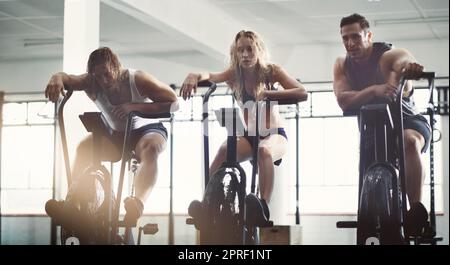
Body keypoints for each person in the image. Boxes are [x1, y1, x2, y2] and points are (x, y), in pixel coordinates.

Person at [180, 30, 308, 224]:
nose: (245, 55)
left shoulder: (271, 71)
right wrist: (194, 75)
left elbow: (302, 93)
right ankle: (206, 204)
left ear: (259, 50)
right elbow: (211, 76)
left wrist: (269, 94)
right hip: (249, 137)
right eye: (240, 50)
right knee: (225, 150)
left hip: (274, 135)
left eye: (250, 49)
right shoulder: (234, 74)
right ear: (235, 53)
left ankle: (262, 207)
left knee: (264, 151)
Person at [45, 47, 178, 224]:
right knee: (84, 148)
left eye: (106, 74)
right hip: (116, 136)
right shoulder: (92, 82)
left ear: (116, 67)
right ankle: (73, 204)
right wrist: (57, 78)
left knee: (151, 149)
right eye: (98, 76)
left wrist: (134, 107)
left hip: (146, 131)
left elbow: (174, 103)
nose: (103, 80)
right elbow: (68, 78)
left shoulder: (138, 79)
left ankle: (137, 204)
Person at [333, 14, 431, 232]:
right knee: (368, 179)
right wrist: (374, 90)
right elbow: (343, 101)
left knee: (408, 141)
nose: (350, 44)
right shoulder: (342, 64)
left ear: (369, 35)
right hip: (374, 131)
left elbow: (402, 59)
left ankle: (415, 210)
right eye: (345, 38)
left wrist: (409, 68)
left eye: (356, 37)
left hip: (407, 121)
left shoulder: (386, 55)